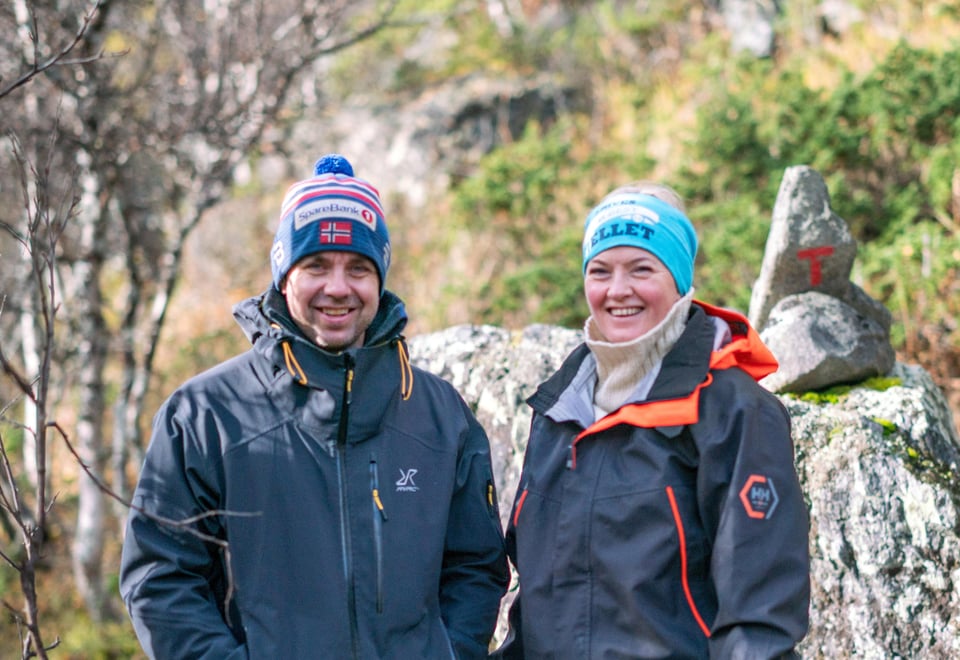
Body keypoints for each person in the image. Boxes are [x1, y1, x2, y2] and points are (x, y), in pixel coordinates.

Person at [120, 154, 509, 659]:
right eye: (316, 266)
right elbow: (160, 579)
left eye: (359, 268)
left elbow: (475, 568)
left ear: (380, 280)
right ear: (284, 276)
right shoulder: (204, 416)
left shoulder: (439, 415)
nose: (338, 288)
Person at [494, 183, 810, 658]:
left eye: (641, 269)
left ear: (679, 280)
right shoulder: (558, 412)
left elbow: (759, 619)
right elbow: (537, 602)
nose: (617, 290)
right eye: (600, 271)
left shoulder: (733, 411)